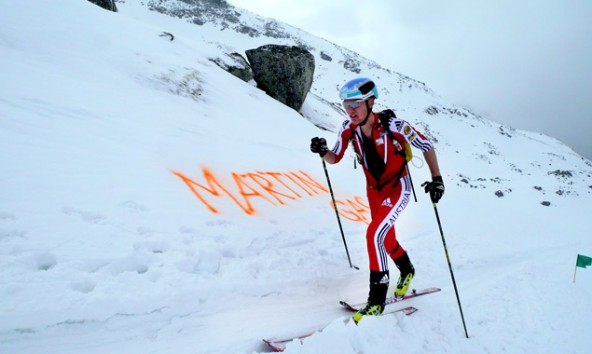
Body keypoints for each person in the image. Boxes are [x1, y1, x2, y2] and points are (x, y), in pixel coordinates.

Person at [310, 78, 445, 323]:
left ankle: (376, 301)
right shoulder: (347, 129)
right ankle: (407, 271)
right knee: (386, 237)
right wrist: (322, 150)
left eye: (356, 104)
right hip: (374, 191)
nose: (350, 110)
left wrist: (437, 179)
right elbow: (335, 158)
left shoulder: (395, 126)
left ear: (371, 102)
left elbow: (426, 144)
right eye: (346, 104)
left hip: (398, 188)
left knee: (374, 234)